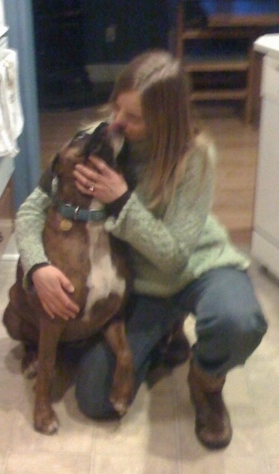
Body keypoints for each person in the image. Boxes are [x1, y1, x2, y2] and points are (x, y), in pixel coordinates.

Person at [15, 50, 267, 449]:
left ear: (166, 121)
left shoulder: (196, 157)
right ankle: (162, 337)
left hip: (198, 266)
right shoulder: (103, 139)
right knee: (95, 398)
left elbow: (173, 257)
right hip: (140, 287)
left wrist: (121, 202)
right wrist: (38, 267)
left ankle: (206, 383)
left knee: (239, 320)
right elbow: (32, 209)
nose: (117, 122)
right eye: (117, 107)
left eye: (133, 118)